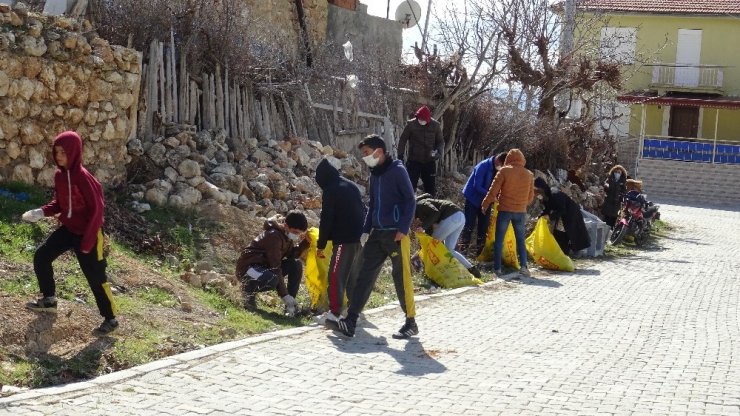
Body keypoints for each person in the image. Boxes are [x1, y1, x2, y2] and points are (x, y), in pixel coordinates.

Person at [22, 131, 119, 335]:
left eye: (63, 153)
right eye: (56, 152)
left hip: (89, 233)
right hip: (69, 229)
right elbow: (60, 203)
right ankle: (49, 299)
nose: (59, 156)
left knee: (95, 276)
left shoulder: (84, 178)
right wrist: (41, 212)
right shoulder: (59, 176)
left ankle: (110, 319)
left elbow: (97, 210)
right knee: (42, 256)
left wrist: (88, 240)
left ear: (74, 153)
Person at [326, 135, 417, 339]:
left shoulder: (398, 171)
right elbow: (373, 205)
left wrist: (403, 228)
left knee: (401, 278)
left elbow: (410, 201)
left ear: (379, 152)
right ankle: (351, 320)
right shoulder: (374, 175)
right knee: (363, 277)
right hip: (377, 234)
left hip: (396, 234)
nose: (365, 158)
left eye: (367, 153)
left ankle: (411, 321)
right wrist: (365, 230)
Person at [314, 158, 365, 322]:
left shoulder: (331, 190)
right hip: (360, 237)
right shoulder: (349, 185)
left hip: (345, 239)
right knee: (353, 275)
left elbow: (326, 219)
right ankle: (354, 310)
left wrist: (321, 244)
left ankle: (334, 313)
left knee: (336, 275)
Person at [235, 211, 310, 317]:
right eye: (295, 232)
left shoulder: (286, 236)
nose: (296, 235)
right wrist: (284, 295)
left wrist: (305, 243)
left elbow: (291, 255)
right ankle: (247, 294)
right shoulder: (274, 236)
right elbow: (276, 266)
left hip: (264, 268)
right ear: (286, 225)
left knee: (296, 264)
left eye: (299, 233)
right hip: (248, 269)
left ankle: (290, 307)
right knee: (272, 279)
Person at [480, 149, 534, 278]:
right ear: (522, 159)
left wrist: (485, 204)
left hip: (504, 210)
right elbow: (531, 197)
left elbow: (493, 191)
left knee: (499, 240)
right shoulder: (529, 174)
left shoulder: (504, 171)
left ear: (508, 159)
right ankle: (524, 267)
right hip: (520, 212)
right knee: (521, 240)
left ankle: (497, 269)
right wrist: (521, 204)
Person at [414, 193, 481, 278]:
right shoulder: (422, 205)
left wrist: (423, 227)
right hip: (460, 217)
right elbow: (430, 226)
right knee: (449, 249)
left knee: (431, 245)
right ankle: (471, 269)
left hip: (451, 217)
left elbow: (435, 213)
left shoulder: (420, 204)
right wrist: (425, 229)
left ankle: (428, 272)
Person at [460, 152, 507, 255]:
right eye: (503, 165)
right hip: (473, 199)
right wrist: (491, 196)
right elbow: (477, 186)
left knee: (484, 227)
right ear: (498, 161)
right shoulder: (483, 165)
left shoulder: (500, 170)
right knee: (469, 225)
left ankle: (479, 254)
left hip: (487, 201)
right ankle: (463, 253)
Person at [533, 177, 591, 255]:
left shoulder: (555, 194)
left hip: (571, 212)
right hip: (561, 214)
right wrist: (541, 217)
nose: (536, 192)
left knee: (573, 231)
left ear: (542, 188)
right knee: (560, 232)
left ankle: (575, 251)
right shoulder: (545, 197)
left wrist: (550, 217)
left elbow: (562, 209)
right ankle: (563, 251)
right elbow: (547, 209)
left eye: (537, 190)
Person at [397, 105, 445, 196]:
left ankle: (429, 207)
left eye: (423, 120)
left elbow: (440, 142)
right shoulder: (411, 125)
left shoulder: (435, 126)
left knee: (430, 189)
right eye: (419, 119)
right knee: (409, 188)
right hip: (414, 161)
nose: (421, 121)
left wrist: (438, 152)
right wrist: (400, 155)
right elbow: (402, 140)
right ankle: (411, 208)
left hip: (429, 161)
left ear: (428, 119)